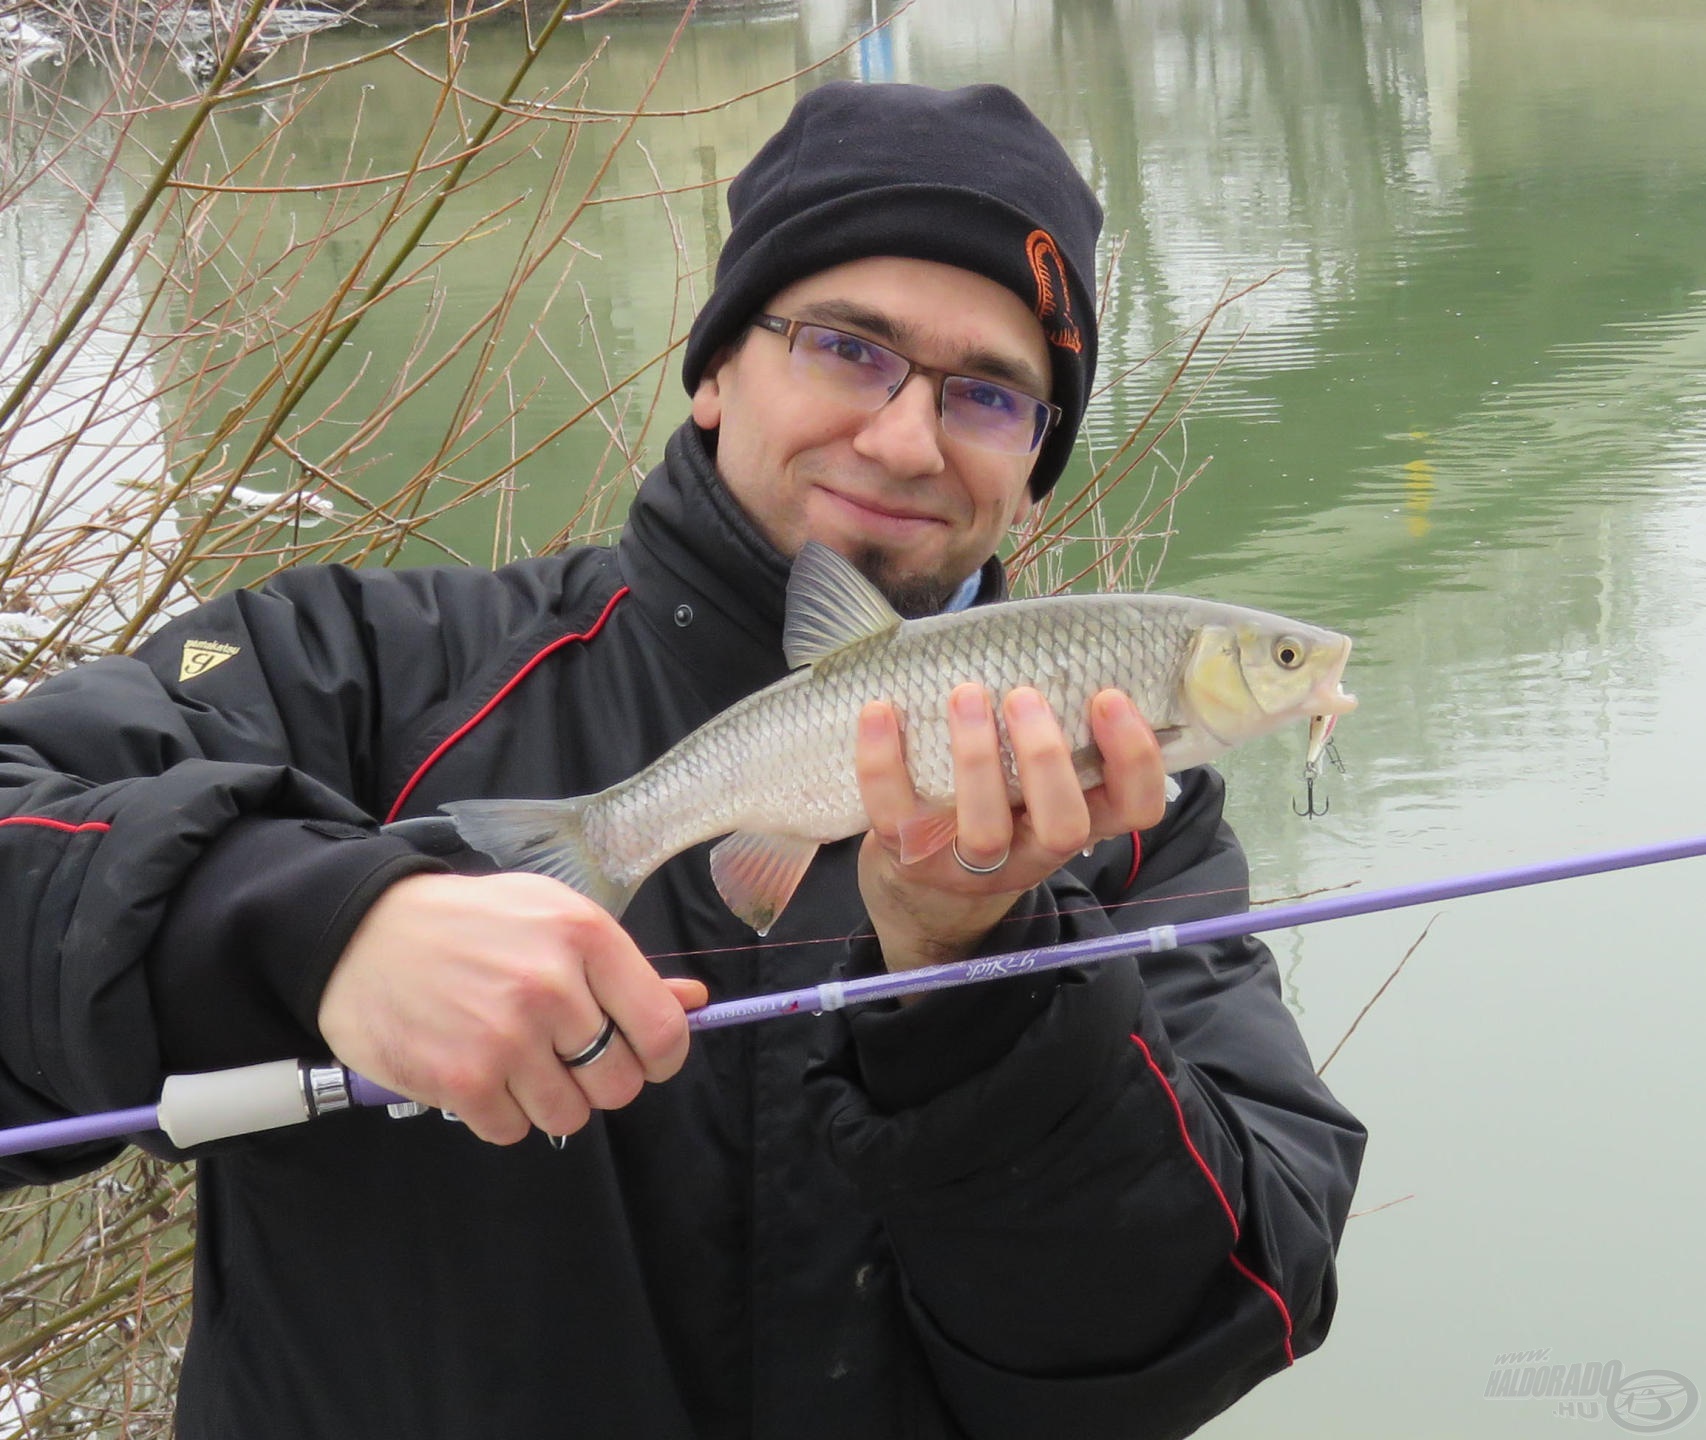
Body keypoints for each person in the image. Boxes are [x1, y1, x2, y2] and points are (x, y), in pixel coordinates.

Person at [0, 82, 1364, 1439]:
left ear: (1034, 470)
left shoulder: (1139, 832)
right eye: (845, 348)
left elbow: (1218, 1317)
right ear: (716, 367)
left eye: (989, 396)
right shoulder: (353, 672)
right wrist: (306, 927)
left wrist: (982, 979)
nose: (901, 438)